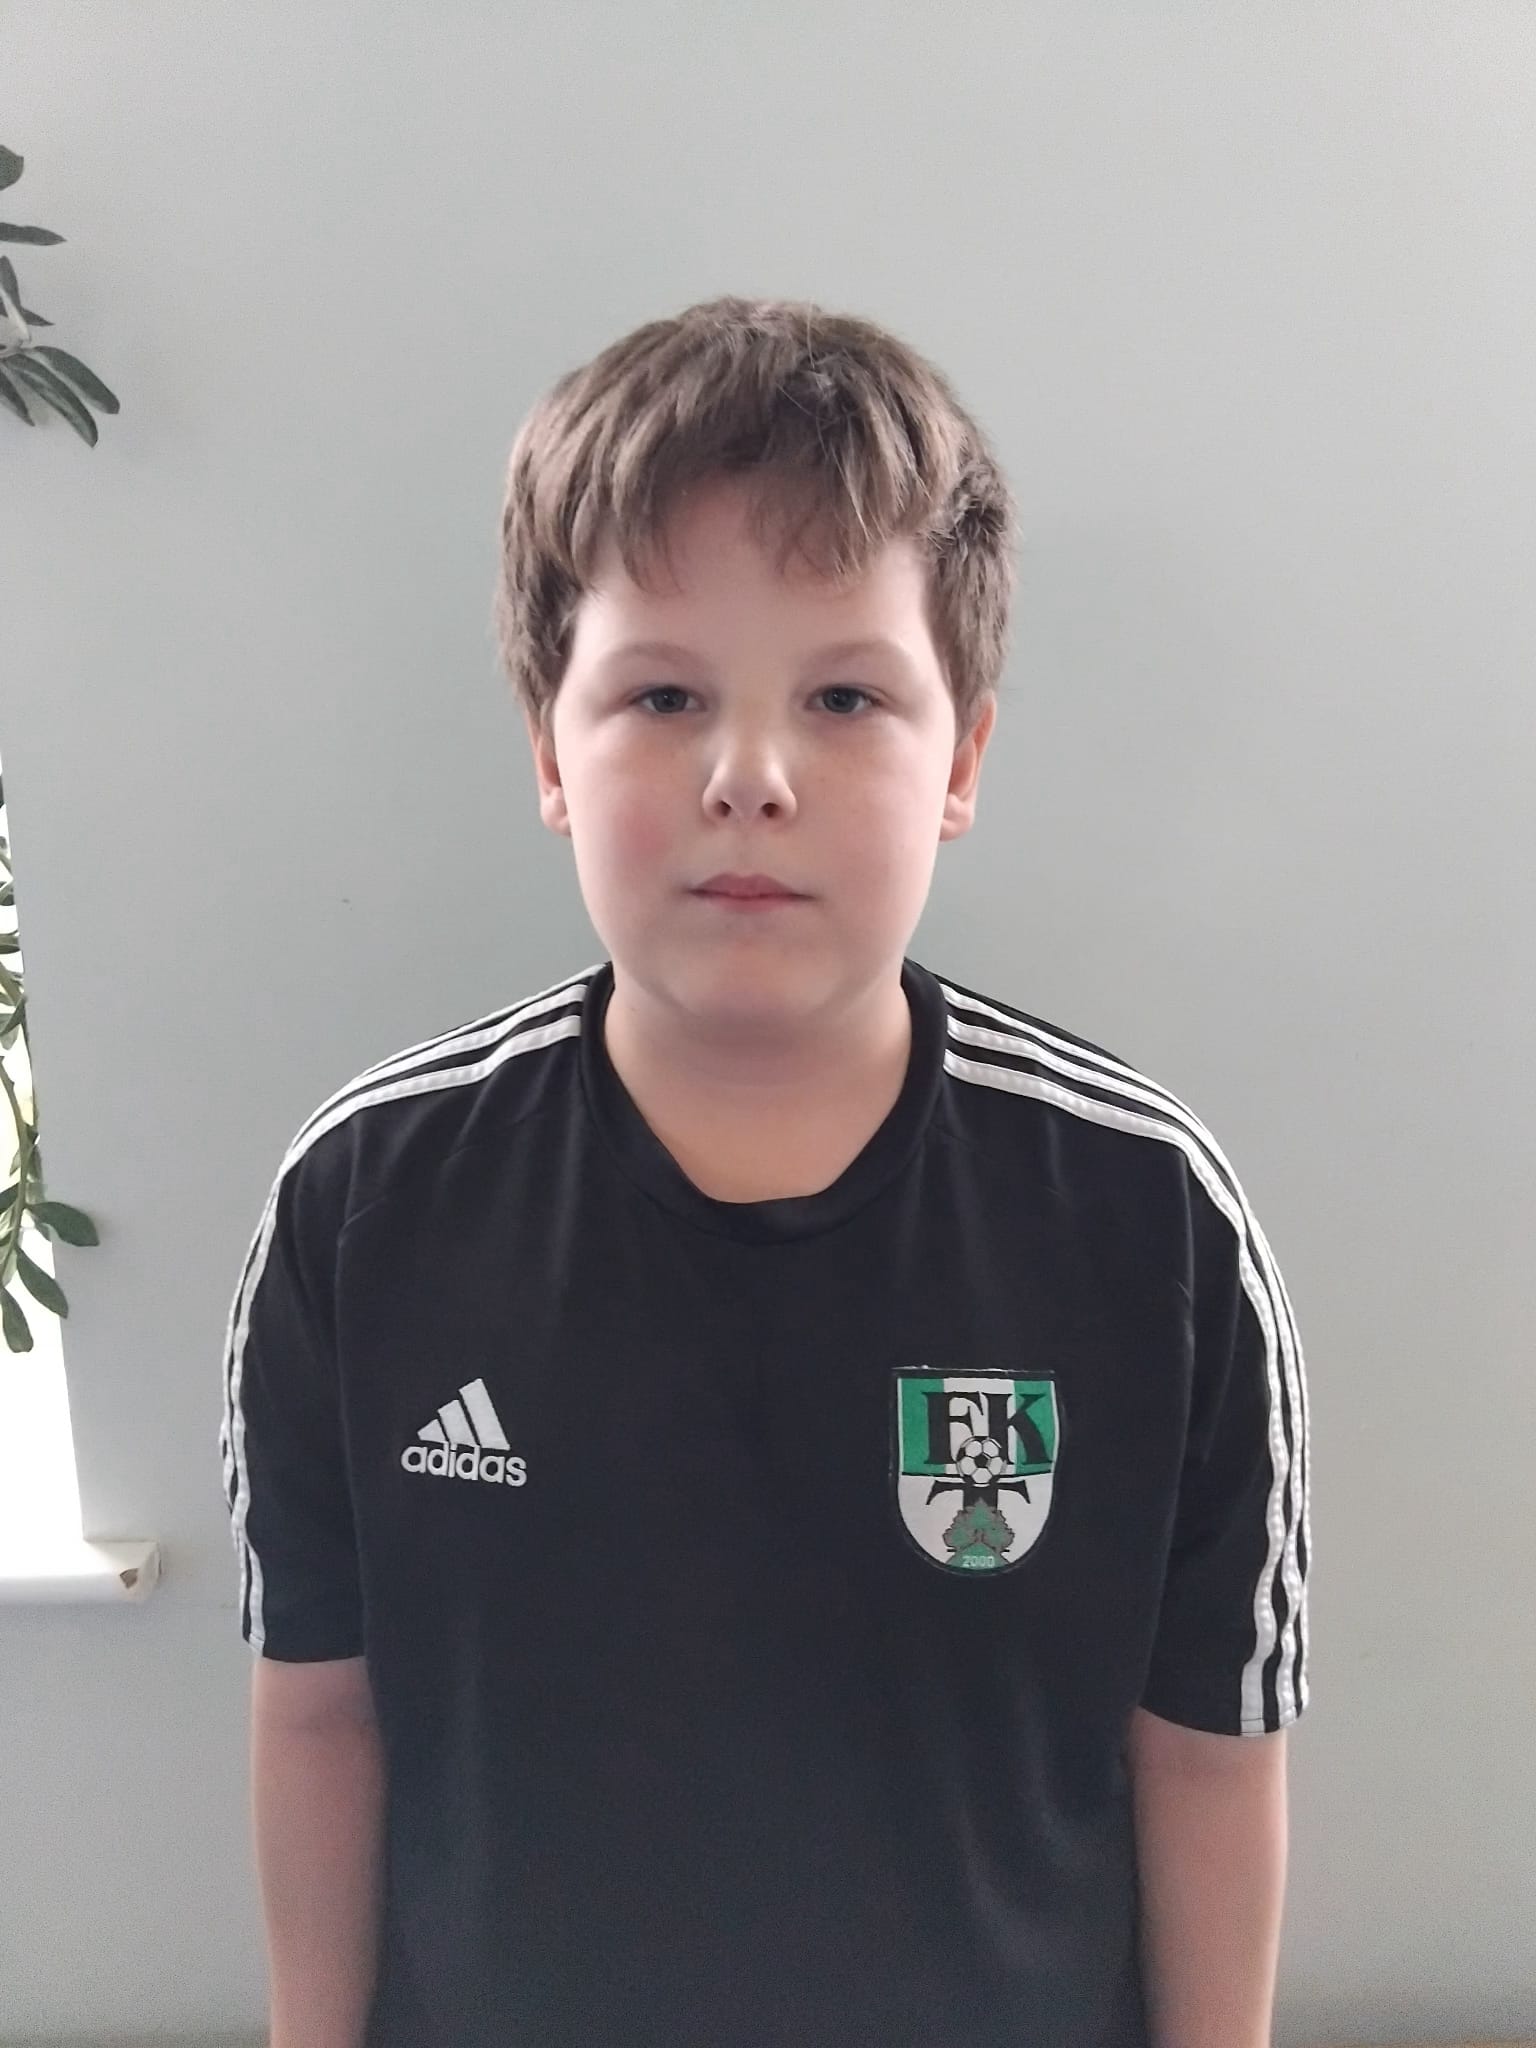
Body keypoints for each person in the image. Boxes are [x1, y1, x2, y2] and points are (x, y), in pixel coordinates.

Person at [219, 294, 1310, 2048]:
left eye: (845, 696)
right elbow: (321, 1717)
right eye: (661, 694)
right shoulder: (365, 1206)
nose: (749, 776)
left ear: (961, 760)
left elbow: (1206, 1754)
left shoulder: (1151, 1221)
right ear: (547, 749)